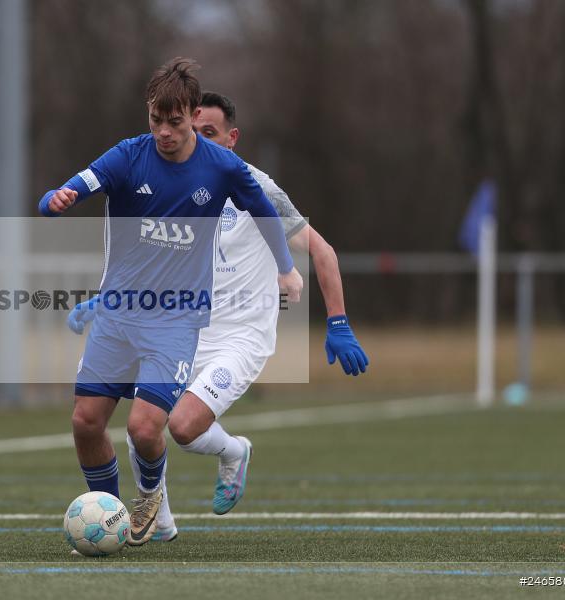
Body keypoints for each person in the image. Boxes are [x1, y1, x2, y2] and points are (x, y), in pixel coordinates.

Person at [68, 91, 368, 541]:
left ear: (231, 138)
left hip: (241, 336)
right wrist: (107, 301)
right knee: (142, 427)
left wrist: (338, 322)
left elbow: (321, 251)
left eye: (209, 132)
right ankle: (160, 526)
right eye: (193, 129)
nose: (195, 139)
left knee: (184, 426)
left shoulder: (256, 186)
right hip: (181, 325)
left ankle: (233, 450)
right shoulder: (174, 182)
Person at [39, 58, 299, 546]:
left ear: (191, 115)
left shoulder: (221, 167)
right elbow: (82, 183)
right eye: (155, 120)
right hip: (118, 317)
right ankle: (112, 513)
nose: (164, 132)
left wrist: (285, 266)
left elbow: (264, 212)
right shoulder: (129, 156)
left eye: (174, 122)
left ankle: (151, 496)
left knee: (143, 427)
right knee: (85, 421)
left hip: (176, 322)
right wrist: (61, 196)